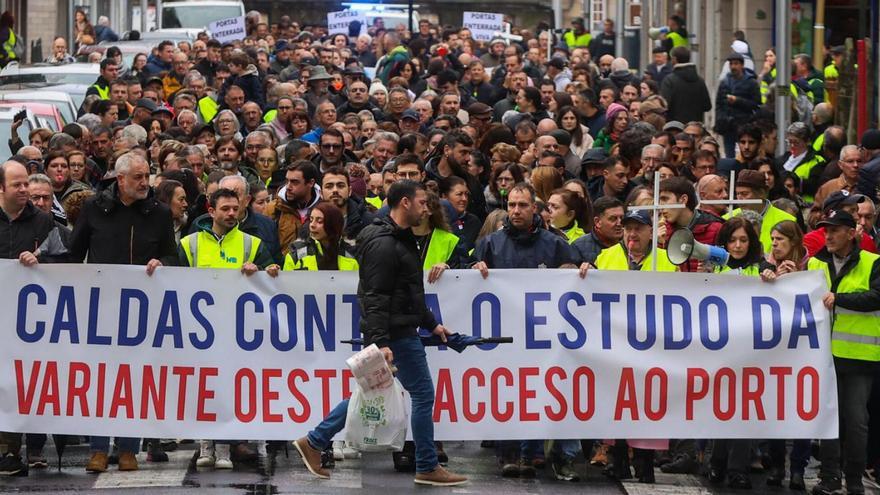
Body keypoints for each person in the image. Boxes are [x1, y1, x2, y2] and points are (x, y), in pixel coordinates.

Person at [294, 180, 468, 487]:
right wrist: (382, 344)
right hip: (396, 334)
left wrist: (431, 324)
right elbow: (374, 297)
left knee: (370, 392)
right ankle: (427, 465)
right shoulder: (386, 243)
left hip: (398, 330)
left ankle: (314, 440)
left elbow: (409, 291)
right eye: (421, 203)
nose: (426, 209)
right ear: (404, 203)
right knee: (423, 393)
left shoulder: (398, 239)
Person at [69, 152, 177, 473]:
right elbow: (74, 253)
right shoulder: (94, 208)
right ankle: (99, 449)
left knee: (135, 381)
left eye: (147, 176)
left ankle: (129, 448)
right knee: (101, 380)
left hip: (144, 314)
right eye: (138, 178)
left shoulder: (158, 213)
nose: (145, 183)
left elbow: (172, 256)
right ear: (121, 180)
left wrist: (163, 263)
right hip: (101, 311)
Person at [471, 183, 576, 477]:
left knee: (537, 391)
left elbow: (573, 276)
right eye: (512, 205)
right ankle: (507, 453)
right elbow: (466, 273)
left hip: (543, 335)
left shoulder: (554, 244)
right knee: (507, 392)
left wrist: (576, 270)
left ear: (535, 209)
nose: (516, 210)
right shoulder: (491, 243)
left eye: (522, 205)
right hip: (503, 333)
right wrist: (471, 267)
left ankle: (529, 454)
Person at [807, 209, 880, 495]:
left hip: (859, 357)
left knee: (856, 420)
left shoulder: (872, 262)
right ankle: (829, 478)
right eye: (826, 229)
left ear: (852, 233)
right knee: (828, 419)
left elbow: (877, 297)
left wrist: (840, 300)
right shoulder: (814, 262)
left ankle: (853, 480)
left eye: (835, 230)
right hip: (822, 356)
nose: (828, 235)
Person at [0, 161, 54, 477]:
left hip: (29, 322)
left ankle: (23, 447)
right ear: (2, 188)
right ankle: (7, 449)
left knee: (24, 382)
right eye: (18, 185)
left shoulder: (43, 222)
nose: (24, 191)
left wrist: (41, 259)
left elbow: (63, 257)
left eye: (26, 185)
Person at [659, 177, 723, 272]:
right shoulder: (662, 231)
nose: (661, 206)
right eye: (660, 200)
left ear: (683, 199)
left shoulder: (716, 228)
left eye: (665, 199)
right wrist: (659, 245)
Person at [725, 169, 796, 253]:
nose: (739, 199)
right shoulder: (727, 218)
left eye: (744, 194)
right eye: (737, 194)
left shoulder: (787, 220)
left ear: (762, 193)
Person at [714, 52, 760, 159]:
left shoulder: (751, 82)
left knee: (744, 153)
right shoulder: (725, 82)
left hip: (743, 124)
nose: (733, 66)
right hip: (728, 125)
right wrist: (720, 120)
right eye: (731, 64)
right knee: (729, 154)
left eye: (736, 64)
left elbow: (755, 104)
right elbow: (719, 103)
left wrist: (738, 100)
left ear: (742, 65)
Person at [660, 47, 712, 125]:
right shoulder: (700, 81)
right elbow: (707, 106)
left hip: (675, 127)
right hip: (695, 128)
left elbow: (664, 105)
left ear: (674, 59)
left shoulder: (669, 80)